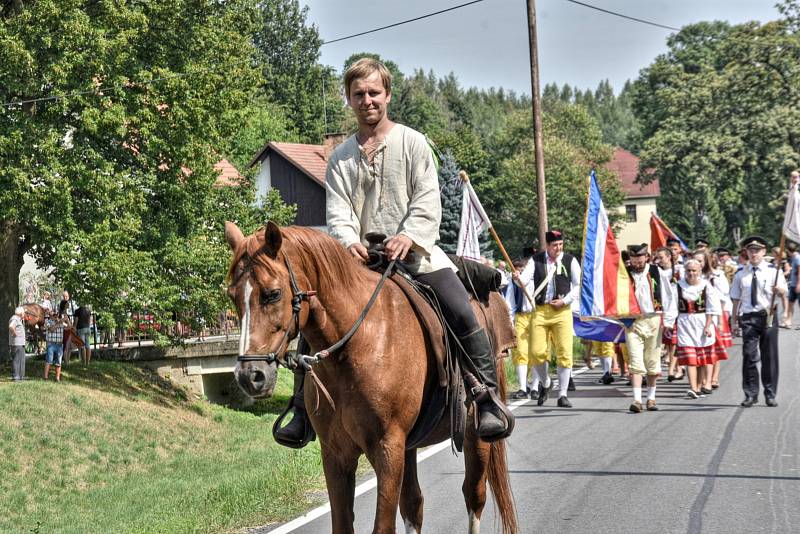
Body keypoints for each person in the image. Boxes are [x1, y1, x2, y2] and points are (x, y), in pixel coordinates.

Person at [275, 57, 514, 447]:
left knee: (458, 307)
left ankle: (485, 397)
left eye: (374, 92)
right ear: (348, 100)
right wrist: (347, 241)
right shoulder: (339, 159)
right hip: (361, 264)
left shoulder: (414, 142)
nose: (367, 100)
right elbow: (338, 210)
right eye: (358, 94)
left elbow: (427, 200)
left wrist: (409, 236)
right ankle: (301, 409)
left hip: (417, 256)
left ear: (387, 94)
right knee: (312, 317)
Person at [514, 230, 581, 408]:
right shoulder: (536, 260)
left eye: (560, 244)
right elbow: (524, 280)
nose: (558, 248)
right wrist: (517, 279)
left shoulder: (570, 260)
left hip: (562, 312)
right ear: (547, 246)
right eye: (554, 245)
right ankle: (546, 383)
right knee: (536, 353)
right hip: (540, 311)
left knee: (565, 353)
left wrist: (565, 300)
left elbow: (578, 285)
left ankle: (563, 394)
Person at [730, 235, 787, 407]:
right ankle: (750, 394)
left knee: (769, 356)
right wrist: (734, 321)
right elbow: (736, 299)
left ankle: (770, 393)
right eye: (750, 250)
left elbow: (784, 290)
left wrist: (779, 290)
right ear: (746, 252)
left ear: (763, 252)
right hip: (748, 317)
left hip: (768, 315)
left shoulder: (773, 270)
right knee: (749, 355)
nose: (754, 253)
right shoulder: (741, 274)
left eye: (757, 250)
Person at [624, 244, 677, 412]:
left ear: (646, 257)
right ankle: (637, 400)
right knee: (635, 360)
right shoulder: (624, 274)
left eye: (640, 261)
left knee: (652, 360)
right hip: (633, 321)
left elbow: (668, 296)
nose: (637, 265)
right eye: (634, 262)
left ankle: (651, 398)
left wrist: (668, 320)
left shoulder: (656, 272)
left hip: (653, 319)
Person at [676, 258, 722, 399]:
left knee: (703, 357)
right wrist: (669, 324)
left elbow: (712, 307)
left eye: (694, 270)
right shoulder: (678, 286)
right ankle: (693, 388)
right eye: (688, 270)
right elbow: (671, 306)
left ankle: (705, 384)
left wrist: (708, 325)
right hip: (684, 322)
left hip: (702, 322)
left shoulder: (706, 286)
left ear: (700, 271)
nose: (691, 273)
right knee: (690, 357)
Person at [44, 313, 68, 381]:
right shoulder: (47, 322)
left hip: (59, 345)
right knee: (49, 361)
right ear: (51, 315)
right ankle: (46, 377)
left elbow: (69, 327)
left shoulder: (61, 322)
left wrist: (67, 319)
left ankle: (57, 378)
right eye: (54, 314)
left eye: (57, 314)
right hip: (51, 344)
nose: (56, 316)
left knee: (58, 362)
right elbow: (51, 329)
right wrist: (60, 322)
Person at [8, 306, 27, 381]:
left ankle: (21, 377)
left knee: (21, 360)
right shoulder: (15, 318)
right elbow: (11, 326)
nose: (24, 314)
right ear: (21, 313)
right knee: (17, 360)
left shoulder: (18, 319)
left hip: (19, 343)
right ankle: (16, 377)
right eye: (23, 313)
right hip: (17, 343)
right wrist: (15, 334)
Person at [787, 243, 800, 329]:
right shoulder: (793, 258)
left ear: (788, 250)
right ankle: (789, 321)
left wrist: (799, 284)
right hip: (793, 284)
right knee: (790, 303)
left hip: (797, 284)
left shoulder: (798, 258)